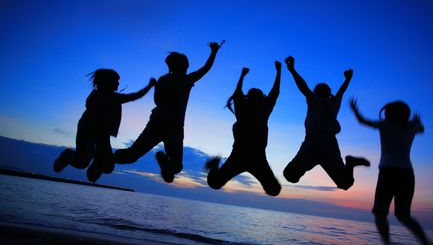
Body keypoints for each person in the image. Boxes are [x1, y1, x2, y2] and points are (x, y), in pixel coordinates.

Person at [114, 41, 223, 183]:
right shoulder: (187, 79)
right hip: (175, 126)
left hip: (157, 122)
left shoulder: (163, 80)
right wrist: (214, 52)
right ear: (185, 66)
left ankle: (107, 156)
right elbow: (205, 68)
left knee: (131, 155)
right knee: (177, 166)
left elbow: (157, 101)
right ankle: (167, 166)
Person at [350, 98, 433, 245]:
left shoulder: (385, 125)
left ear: (390, 114)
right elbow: (422, 129)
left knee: (380, 213)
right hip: (406, 175)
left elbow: (363, 121)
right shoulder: (411, 126)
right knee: (403, 215)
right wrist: (418, 122)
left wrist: (355, 110)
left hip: (388, 174)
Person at [53, 69, 156, 182]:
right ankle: (68, 156)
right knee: (82, 162)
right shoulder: (103, 96)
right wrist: (149, 86)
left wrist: (149, 86)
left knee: (108, 167)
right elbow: (133, 96)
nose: (118, 83)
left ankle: (96, 164)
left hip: (101, 134)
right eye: (116, 81)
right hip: (87, 132)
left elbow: (133, 97)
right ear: (107, 81)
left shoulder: (111, 97)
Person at [283, 56, 369, 190]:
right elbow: (341, 92)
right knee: (345, 183)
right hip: (328, 147)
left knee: (289, 175)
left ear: (315, 92)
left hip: (312, 146)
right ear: (329, 94)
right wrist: (347, 79)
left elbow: (303, 86)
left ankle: (349, 163)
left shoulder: (313, 99)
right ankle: (350, 163)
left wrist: (292, 70)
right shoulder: (334, 103)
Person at [206, 62, 282, 196]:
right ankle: (214, 165)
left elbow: (274, 93)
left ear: (261, 99)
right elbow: (272, 93)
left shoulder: (262, 111)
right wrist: (278, 71)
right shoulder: (244, 110)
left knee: (274, 189)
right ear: (248, 98)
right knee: (214, 183)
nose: (257, 98)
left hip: (257, 158)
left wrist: (243, 75)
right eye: (254, 95)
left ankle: (214, 166)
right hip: (239, 157)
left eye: (258, 96)